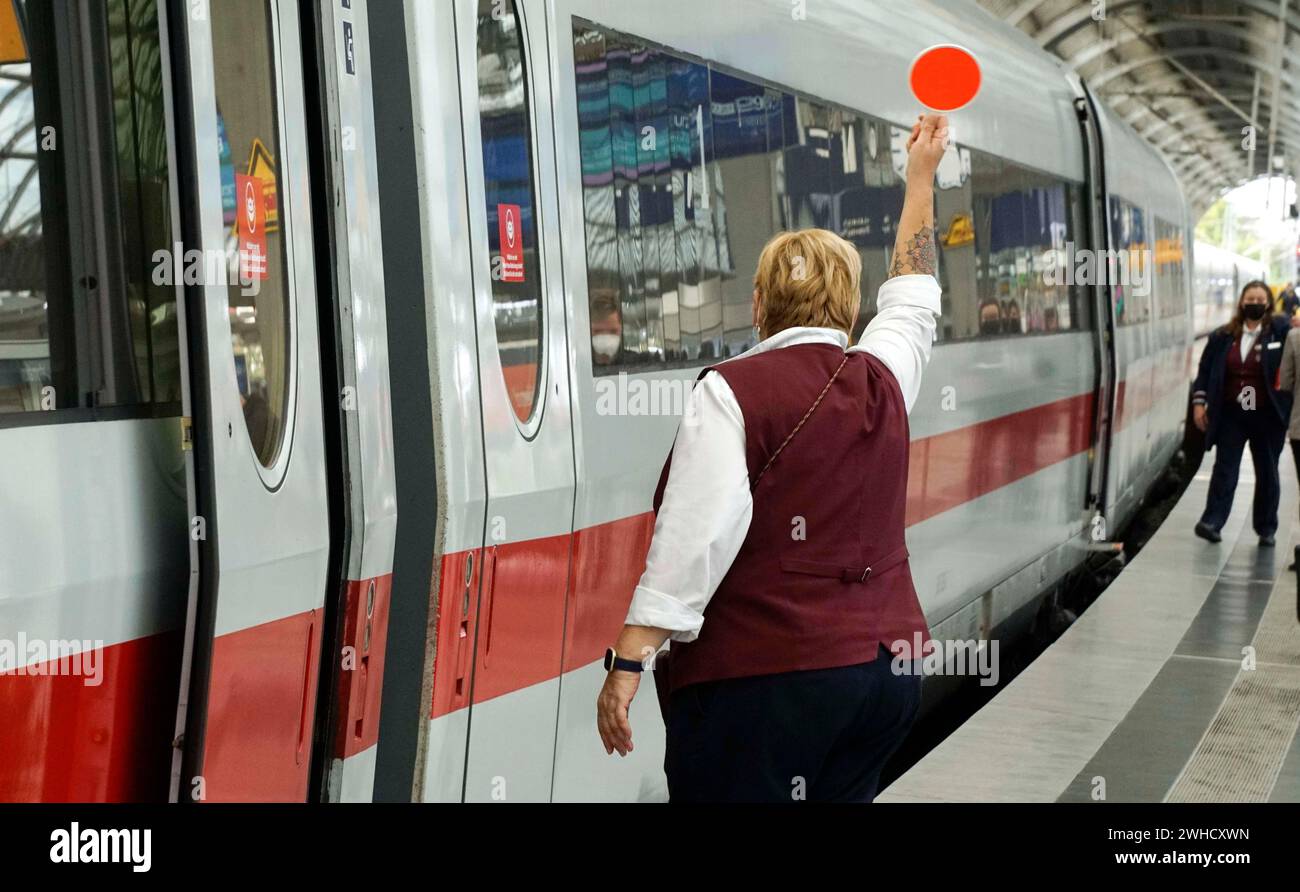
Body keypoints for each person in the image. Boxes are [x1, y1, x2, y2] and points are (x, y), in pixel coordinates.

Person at [594, 113, 949, 802]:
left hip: (766, 686)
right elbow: (914, 295)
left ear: (758, 306)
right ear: (848, 310)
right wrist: (920, 180)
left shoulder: (729, 392)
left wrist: (629, 661)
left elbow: (695, 539)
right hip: (885, 676)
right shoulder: (883, 377)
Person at [1192, 280, 1293, 546]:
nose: (1255, 304)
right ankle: (1212, 521)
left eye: (1261, 300)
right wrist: (1199, 403)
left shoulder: (1279, 333)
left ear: (1269, 303)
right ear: (1241, 302)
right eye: (1250, 299)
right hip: (1232, 414)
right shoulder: (1223, 336)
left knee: (1267, 471)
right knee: (1225, 468)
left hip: (1267, 416)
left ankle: (1266, 528)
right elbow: (1204, 371)